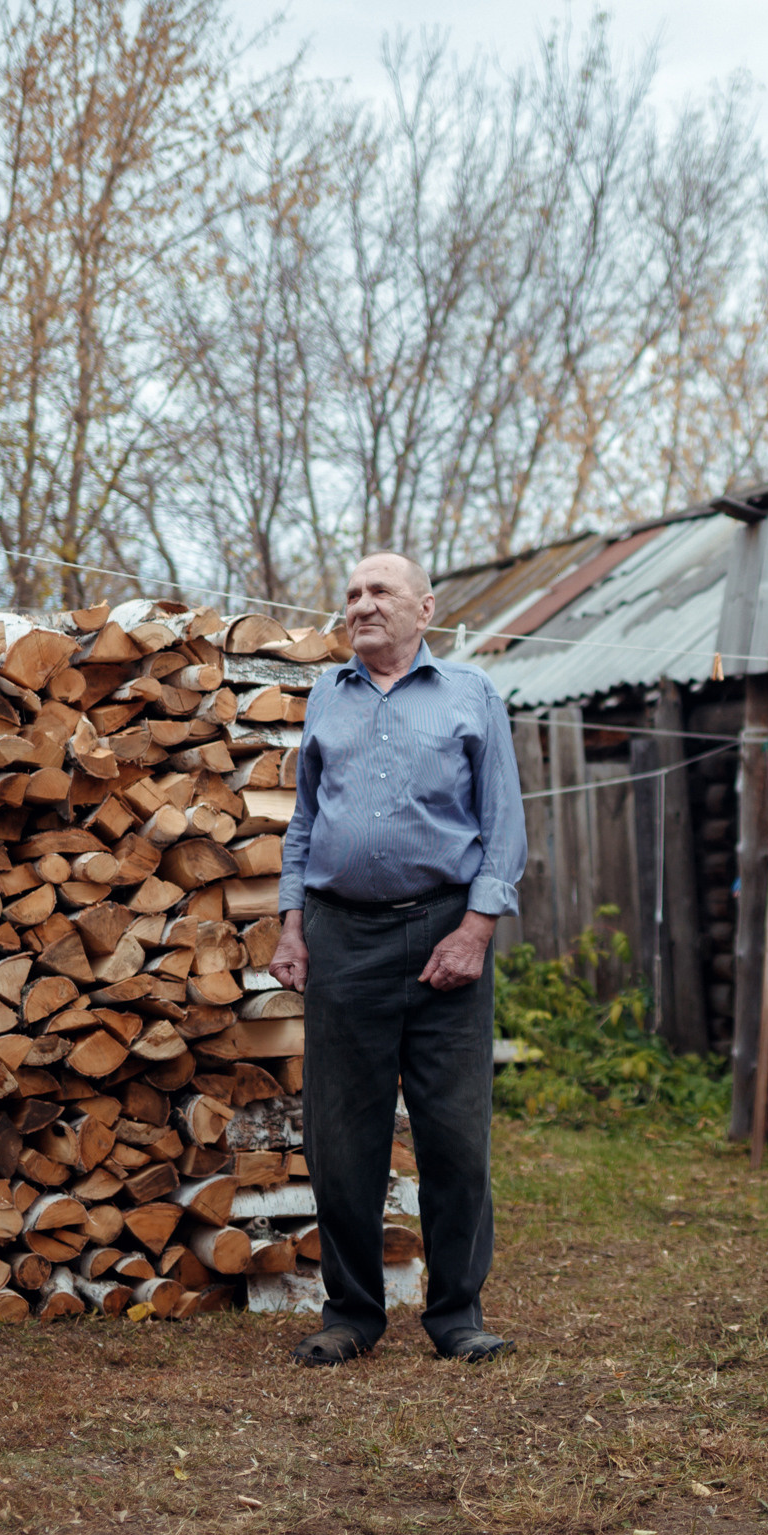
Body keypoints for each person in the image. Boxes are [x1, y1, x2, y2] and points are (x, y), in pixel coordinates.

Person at [269, 552, 525, 1365]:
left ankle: (456, 1312)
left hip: (447, 928)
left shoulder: (471, 695)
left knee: (456, 1133)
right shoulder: (326, 698)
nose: (361, 604)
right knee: (342, 1136)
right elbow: (305, 821)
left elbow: (504, 823)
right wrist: (290, 922)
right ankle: (351, 1314)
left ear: (425, 609)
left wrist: (477, 929)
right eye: (350, 593)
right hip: (342, 936)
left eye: (380, 591)